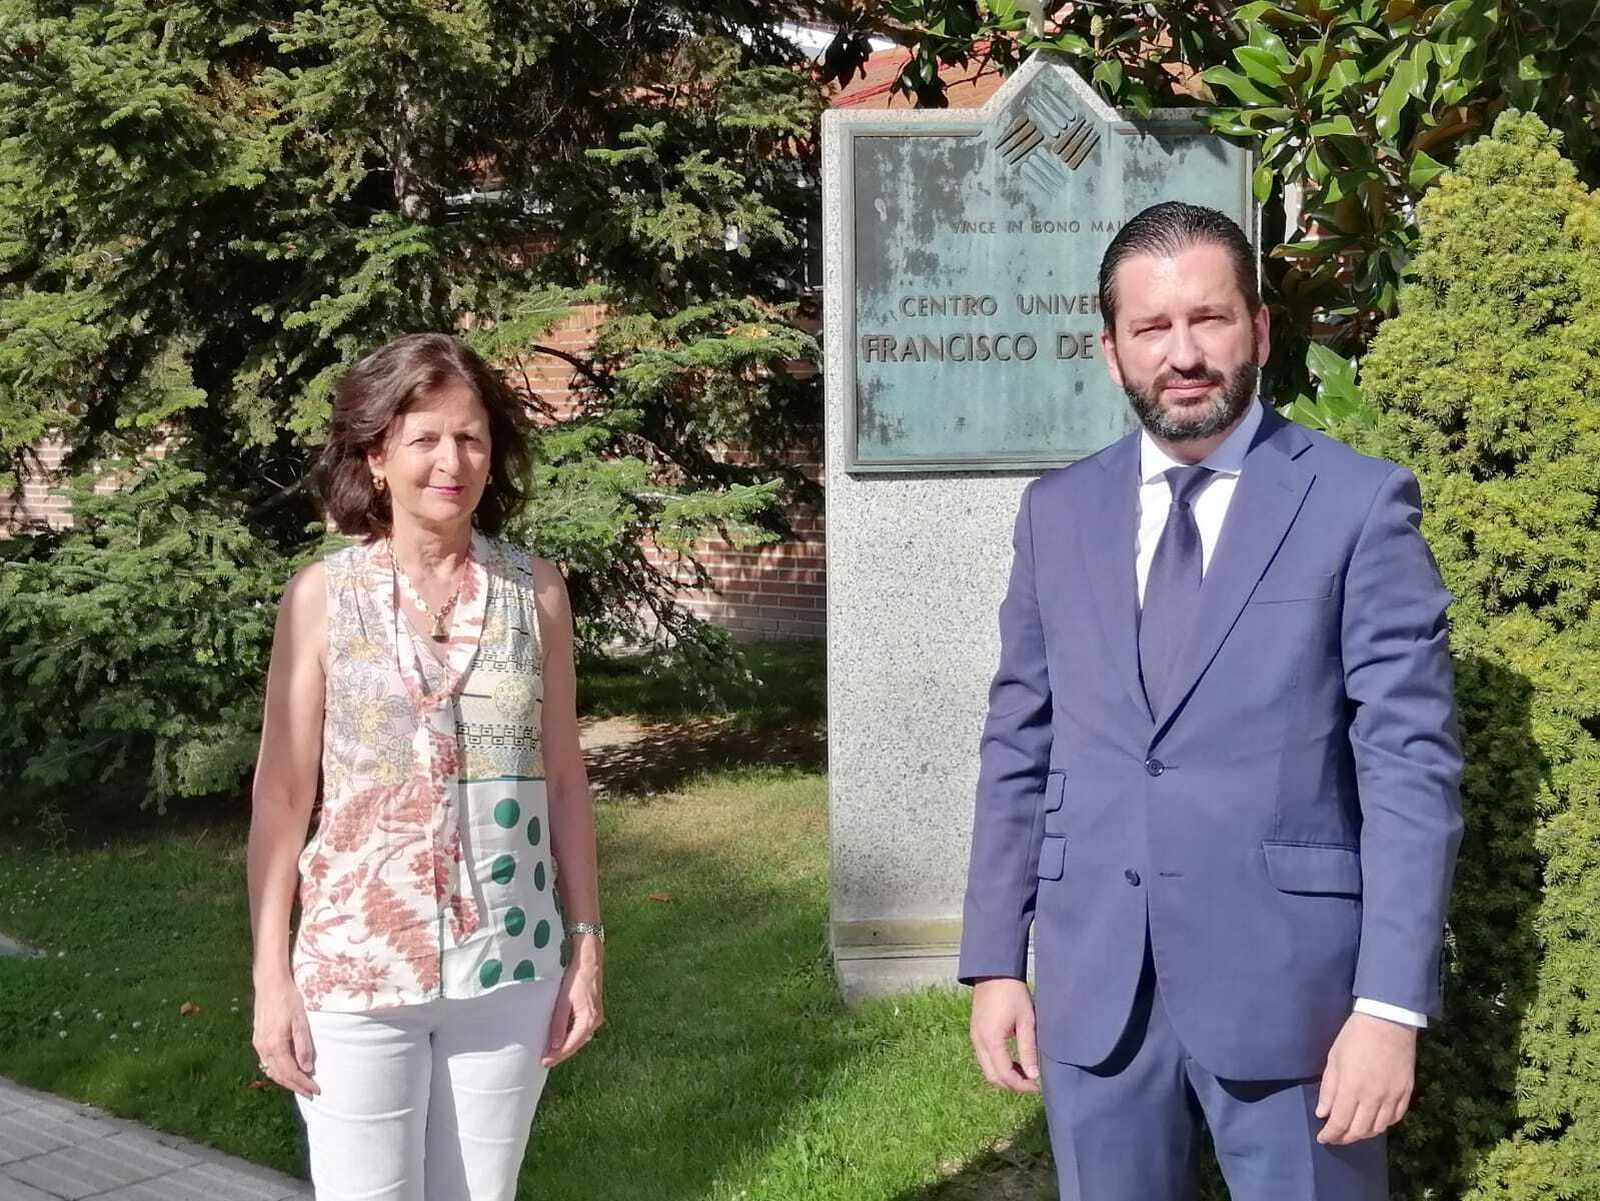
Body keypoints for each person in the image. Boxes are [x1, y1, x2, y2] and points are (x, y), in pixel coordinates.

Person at [960, 202, 1462, 1201]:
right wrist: (993, 961)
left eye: (1210, 319)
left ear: (1261, 331)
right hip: (1097, 988)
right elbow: (1019, 742)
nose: (1182, 354)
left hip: (1296, 1000)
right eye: (1151, 328)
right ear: (1111, 352)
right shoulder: (1055, 514)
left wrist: (1388, 1006)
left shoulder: (1358, 504)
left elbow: (1409, 765)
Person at [246, 333, 604, 1201]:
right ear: (376, 456)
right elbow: (283, 798)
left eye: (472, 437)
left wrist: (586, 945)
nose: (453, 460)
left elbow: (562, 778)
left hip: (510, 965)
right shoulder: (323, 598)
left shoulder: (536, 590)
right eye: (425, 439)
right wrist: (270, 978)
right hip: (356, 969)